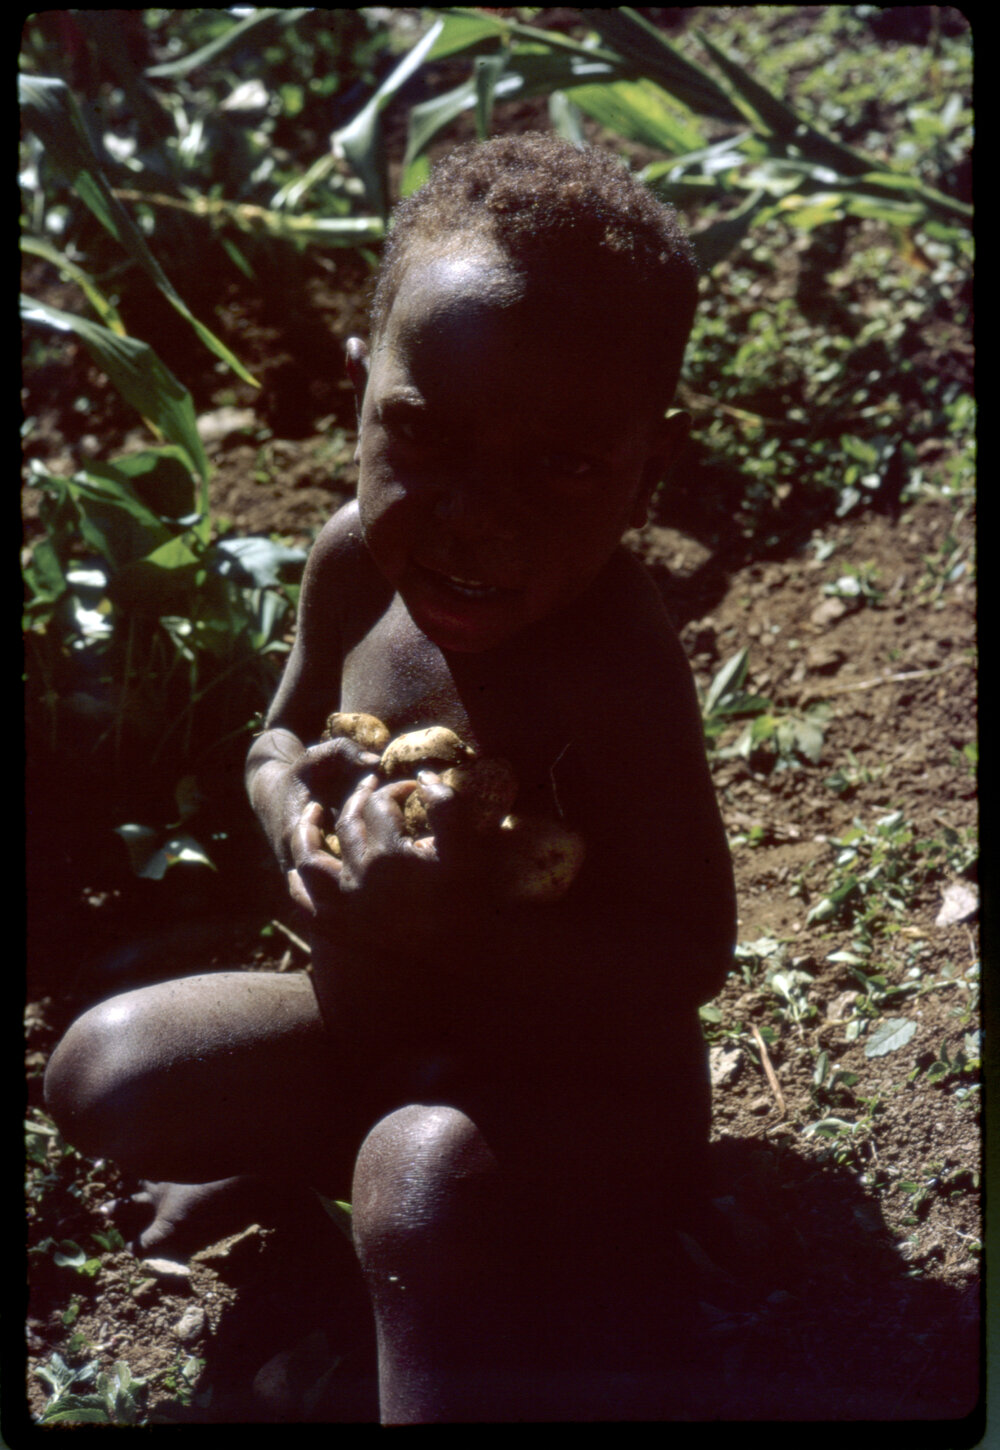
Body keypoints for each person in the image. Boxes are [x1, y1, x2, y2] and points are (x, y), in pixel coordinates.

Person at [45, 133, 736, 1422]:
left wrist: (463, 927)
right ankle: (325, 1163)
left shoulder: (612, 662)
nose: (481, 516)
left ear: (653, 458)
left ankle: (466, 1314)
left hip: (572, 1097)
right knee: (104, 1071)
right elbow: (279, 733)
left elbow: (687, 953)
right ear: (364, 394)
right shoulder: (354, 563)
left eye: (568, 467)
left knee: (419, 1191)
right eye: (425, 435)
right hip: (371, 1029)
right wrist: (281, 806)